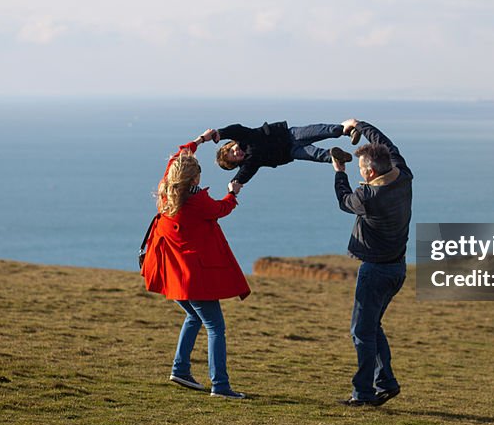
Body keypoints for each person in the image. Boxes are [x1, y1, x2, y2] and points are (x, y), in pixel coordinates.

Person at [140, 133, 251, 399]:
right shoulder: (197, 200)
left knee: (194, 317)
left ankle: (180, 369)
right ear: (194, 179)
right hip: (193, 276)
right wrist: (232, 194)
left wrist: (197, 143)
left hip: (174, 274)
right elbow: (220, 210)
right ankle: (221, 386)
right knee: (215, 327)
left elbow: (177, 159)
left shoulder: (167, 189)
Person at [331, 119, 413, 407]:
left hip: (375, 271)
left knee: (361, 331)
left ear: (370, 171)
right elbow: (388, 145)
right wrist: (362, 125)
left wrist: (339, 172)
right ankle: (386, 382)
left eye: (360, 170)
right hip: (397, 269)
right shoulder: (403, 175)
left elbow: (344, 200)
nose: (359, 173)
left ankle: (363, 393)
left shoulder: (368, 196)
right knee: (372, 326)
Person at [200, 120, 360, 188]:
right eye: (234, 158)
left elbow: (235, 129)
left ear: (231, 144)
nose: (236, 153)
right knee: (318, 155)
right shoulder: (250, 163)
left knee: (323, 131)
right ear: (236, 164)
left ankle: (346, 130)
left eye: (232, 151)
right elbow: (243, 175)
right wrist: (234, 183)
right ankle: (337, 156)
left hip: (289, 135)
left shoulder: (245, 136)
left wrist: (219, 134)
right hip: (291, 152)